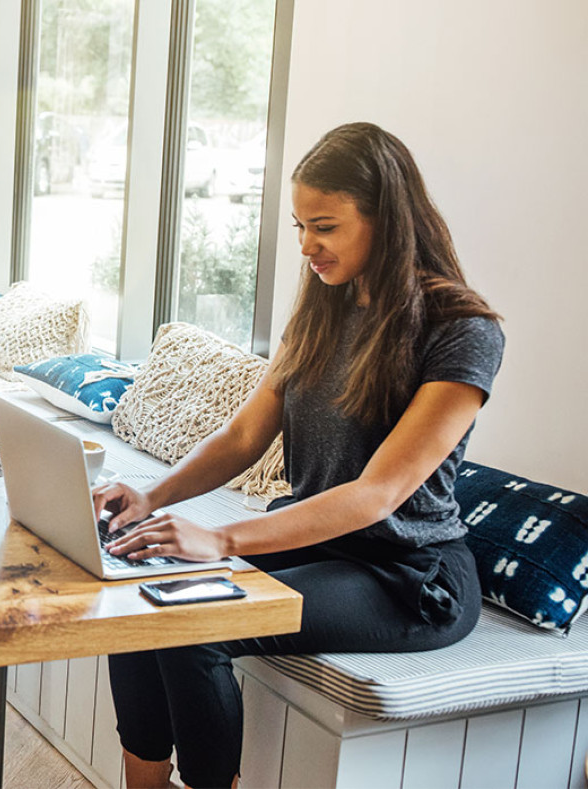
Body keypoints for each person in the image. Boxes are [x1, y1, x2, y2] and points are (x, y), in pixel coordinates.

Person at [95, 122, 504, 789]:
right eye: (299, 227)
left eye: (326, 226)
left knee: (198, 621)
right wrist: (151, 496)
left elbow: (378, 494)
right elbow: (242, 437)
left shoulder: (462, 329)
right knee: (142, 592)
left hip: (408, 573)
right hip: (322, 545)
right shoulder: (323, 308)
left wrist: (221, 536)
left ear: (387, 219)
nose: (308, 246)